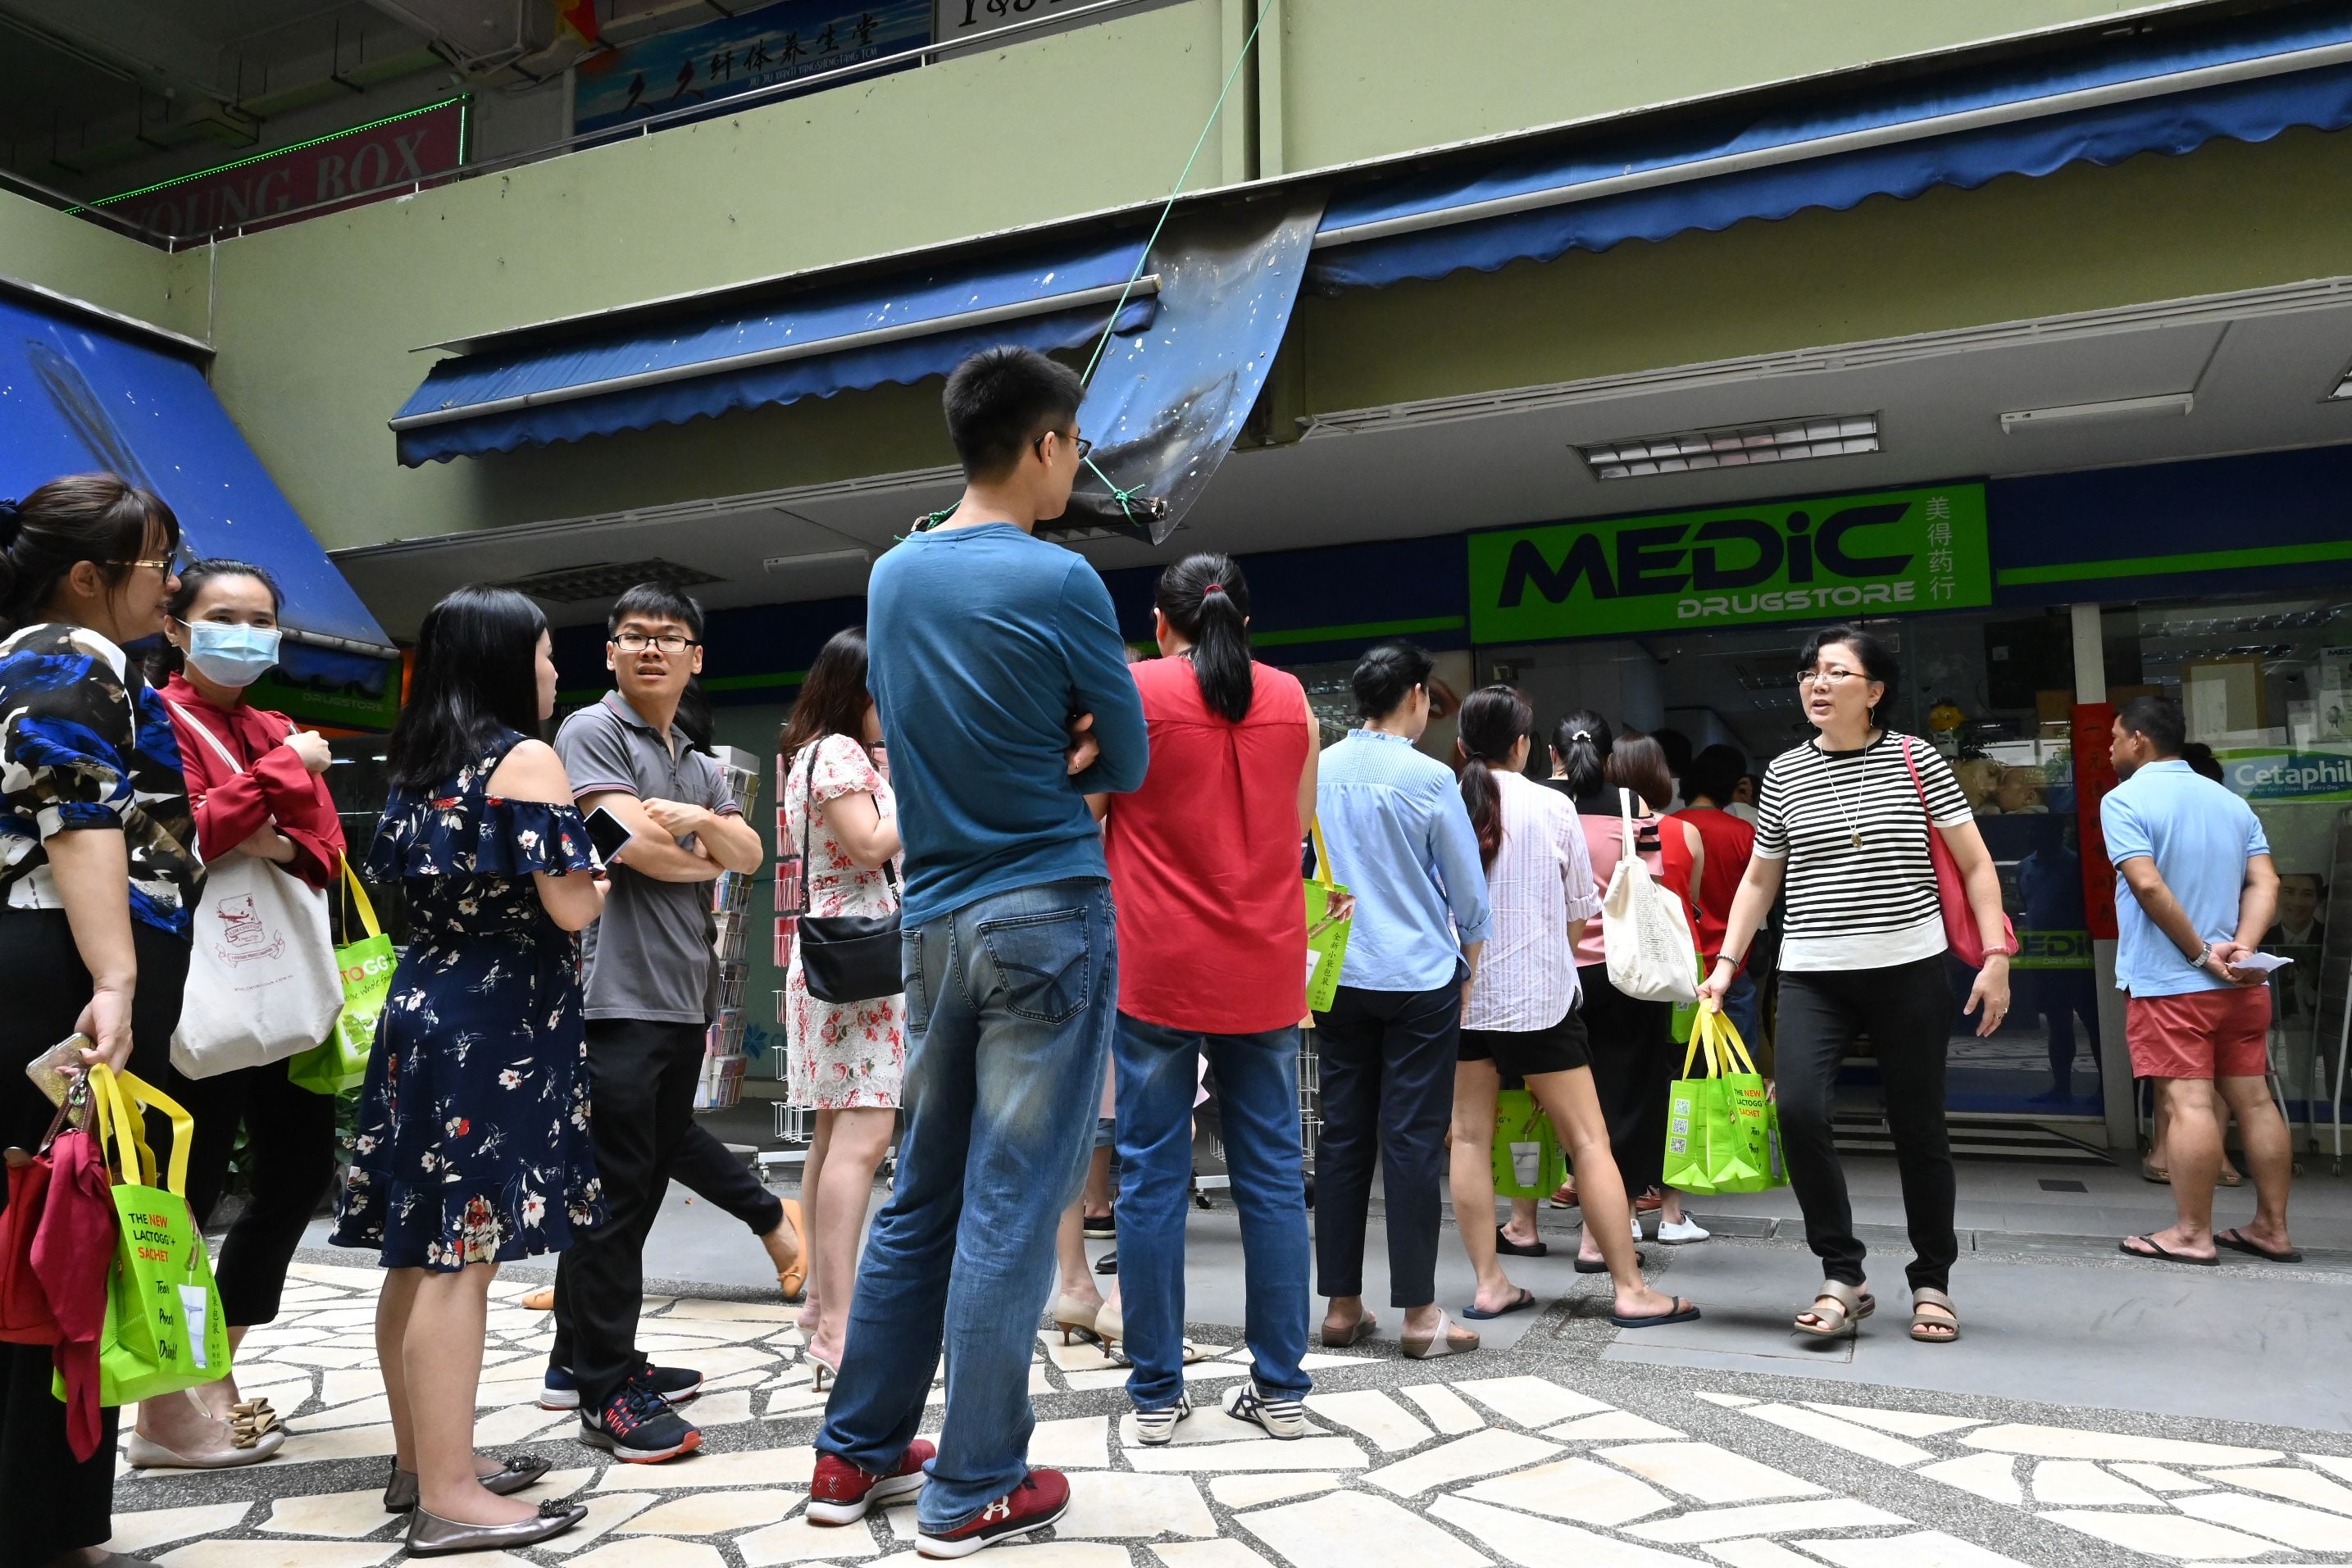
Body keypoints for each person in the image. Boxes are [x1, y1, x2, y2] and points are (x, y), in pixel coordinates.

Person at [810, 345, 1146, 1559]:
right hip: (1045, 910)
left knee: (924, 1191)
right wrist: (1075, 757)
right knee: (1012, 1202)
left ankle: (853, 1452)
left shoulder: (893, 575)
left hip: (936, 923)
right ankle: (976, 1481)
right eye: (1077, 445)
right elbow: (1130, 758)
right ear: (1049, 446)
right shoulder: (1061, 582)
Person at [330, 584, 600, 1554]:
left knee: (419, 1249)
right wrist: (606, 862)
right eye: (543, 651)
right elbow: (571, 906)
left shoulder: (417, 761)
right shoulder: (527, 758)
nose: (554, 669)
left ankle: (420, 1462)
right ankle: (450, 1491)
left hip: (422, 1009)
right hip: (496, 1024)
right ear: (502, 661)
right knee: (463, 1259)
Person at [1699, 625, 2011, 1345]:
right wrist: (1723, 966)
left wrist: (1994, 953)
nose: (1815, 682)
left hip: (1908, 968)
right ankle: (1843, 1272)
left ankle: (1931, 1276)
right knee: (1800, 1111)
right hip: (1812, 974)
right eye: (1809, 671)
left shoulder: (1916, 757)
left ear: (1872, 692)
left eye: (1835, 672)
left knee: (1918, 1126)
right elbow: (1758, 879)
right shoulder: (1781, 772)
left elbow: (1974, 865)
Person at [0, 475, 195, 1568]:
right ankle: (43, 1528)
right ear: (89, 578)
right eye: (153, 563)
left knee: (38, 1232)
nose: (171, 583)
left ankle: (46, 1520)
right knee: (60, 1241)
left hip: (41, 963)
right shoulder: (69, 657)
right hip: (64, 971)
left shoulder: (35, 657)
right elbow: (80, 821)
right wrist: (117, 980)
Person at [1091, 554, 1320, 1443]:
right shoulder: (1292, 696)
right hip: (1262, 963)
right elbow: (1297, 827)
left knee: (1151, 1175)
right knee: (1270, 1179)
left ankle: (1155, 1393)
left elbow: (1095, 810)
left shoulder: (1133, 689)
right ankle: (1281, 1387)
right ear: (1245, 622)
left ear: (1161, 621)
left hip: (1155, 961)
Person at [545, 584, 767, 1462]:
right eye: (634, 636)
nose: (651, 650)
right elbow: (625, 842)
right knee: (613, 1196)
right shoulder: (588, 731)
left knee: (629, 1196)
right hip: (615, 995)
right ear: (609, 651)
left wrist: (707, 833)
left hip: (681, 995)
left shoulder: (694, 756)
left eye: (669, 638)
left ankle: (584, 1355)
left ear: (695, 657)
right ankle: (606, 1392)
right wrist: (701, 844)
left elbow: (747, 857)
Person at [133, 560, 346, 1470]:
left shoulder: (267, 722)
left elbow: (323, 851)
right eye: (223, 615)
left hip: (278, 983)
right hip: (190, 982)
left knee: (298, 1171)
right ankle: (173, 1403)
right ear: (176, 626)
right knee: (187, 1190)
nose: (247, 633)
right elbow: (177, 838)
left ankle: (217, 1367)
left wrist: (253, 805)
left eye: (262, 618)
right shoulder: (152, 716)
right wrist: (282, 776)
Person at [1449, 687, 1695, 1329]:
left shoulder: (1446, 801)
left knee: (1470, 1138)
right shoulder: (1548, 805)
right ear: (1524, 745)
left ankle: (1489, 1283)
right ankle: (1630, 1288)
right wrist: (1555, 965)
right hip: (1541, 1000)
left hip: (1462, 1000)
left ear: (1461, 745)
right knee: (1589, 1139)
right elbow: (1579, 909)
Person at [1312, 640, 1490, 1360]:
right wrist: (1470, 963)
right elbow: (1468, 890)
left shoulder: (1317, 769)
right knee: (1412, 1143)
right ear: (1416, 695)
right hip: (1417, 976)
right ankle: (1420, 1314)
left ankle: (1341, 1306)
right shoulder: (1427, 778)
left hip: (1336, 971)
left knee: (1341, 1135)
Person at [2104, 697, 2298, 1266]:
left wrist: (2198, 954)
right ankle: (2271, 1228)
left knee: (2188, 1101)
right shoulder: (2230, 802)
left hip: (2170, 981)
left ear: (2139, 739)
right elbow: (2266, 881)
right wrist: (2242, 944)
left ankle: (2191, 1233)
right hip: (2242, 982)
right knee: (2255, 1101)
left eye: (2115, 737)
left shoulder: (2124, 800)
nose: (2111, 747)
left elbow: (2147, 887)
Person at [780, 625, 905, 1387]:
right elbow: (868, 845)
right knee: (860, 1138)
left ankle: (821, 1305)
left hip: (834, 957)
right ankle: (837, 1327)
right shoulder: (841, 754)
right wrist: (930, 792)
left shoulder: (814, 752)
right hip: (860, 960)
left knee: (833, 1137)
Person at [1547, 720, 1694, 1254]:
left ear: (1551, 752)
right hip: (1627, 973)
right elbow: (1652, 882)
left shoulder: (1540, 800)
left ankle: (1562, 1208)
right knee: (1627, 1098)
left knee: (1567, 1104)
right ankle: (1606, 1228)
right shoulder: (1633, 805)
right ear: (1609, 756)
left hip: (1559, 974)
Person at [1665, 743, 1759, 1050]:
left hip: (1681, 964)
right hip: (1732, 963)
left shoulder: (1668, 828)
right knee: (1739, 1064)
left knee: (1681, 1065)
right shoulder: (1744, 833)